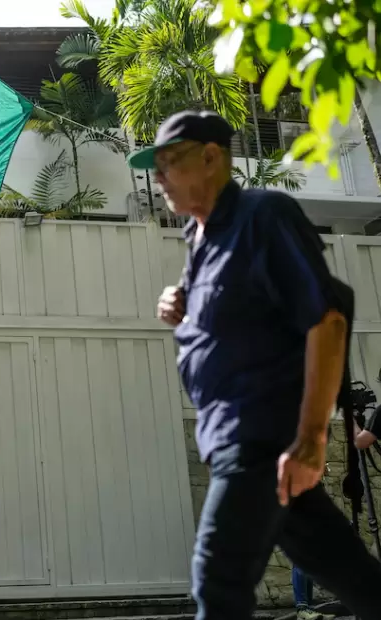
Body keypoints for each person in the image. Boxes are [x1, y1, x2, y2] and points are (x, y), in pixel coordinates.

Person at [134, 109, 381, 620]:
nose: (158, 178)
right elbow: (228, 319)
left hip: (260, 439)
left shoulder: (263, 216)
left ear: (210, 157)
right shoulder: (199, 240)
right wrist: (177, 306)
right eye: (153, 167)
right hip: (233, 438)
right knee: (351, 576)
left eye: (168, 163)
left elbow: (327, 319)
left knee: (216, 579)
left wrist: (312, 440)